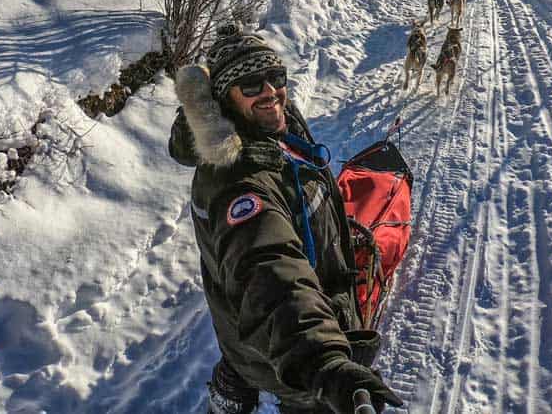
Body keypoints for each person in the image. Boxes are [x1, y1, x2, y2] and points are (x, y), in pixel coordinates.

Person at [169, 24, 403, 414]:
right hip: (294, 353)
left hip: (254, 329)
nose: (269, 91)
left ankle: (234, 379)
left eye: (276, 77)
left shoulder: (271, 125)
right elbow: (270, 270)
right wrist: (323, 362)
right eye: (250, 84)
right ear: (224, 99)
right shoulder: (241, 183)